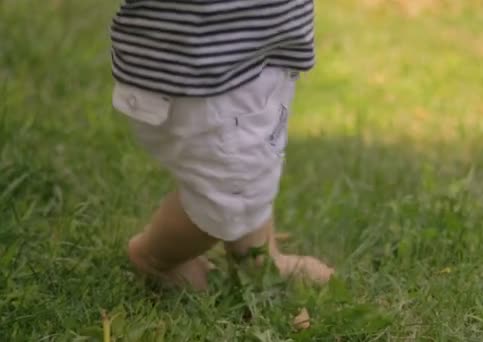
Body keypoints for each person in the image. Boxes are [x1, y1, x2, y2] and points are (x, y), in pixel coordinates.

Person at [110, 0, 334, 291]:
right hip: (205, 71)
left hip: (251, 52)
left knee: (250, 167)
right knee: (226, 197)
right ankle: (154, 257)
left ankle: (257, 259)